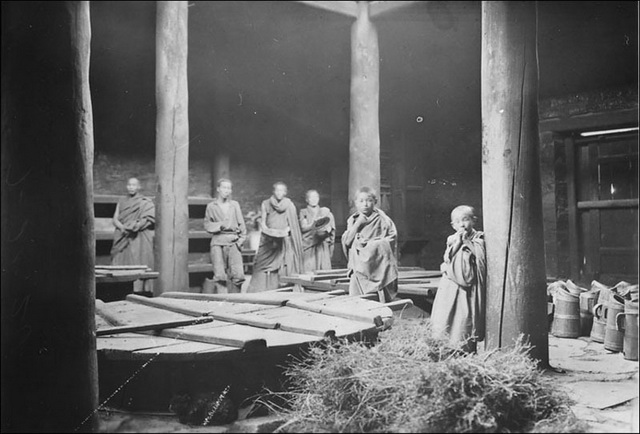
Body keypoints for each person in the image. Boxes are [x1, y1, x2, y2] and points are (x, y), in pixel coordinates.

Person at [430, 205, 486, 353]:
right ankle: (444, 347)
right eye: (457, 221)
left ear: (474, 221)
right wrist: (459, 243)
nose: (462, 224)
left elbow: (481, 258)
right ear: (453, 225)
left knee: (465, 316)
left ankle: (464, 348)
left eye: (465, 220)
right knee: (446, 314)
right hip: (450, 283)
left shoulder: (479, 238)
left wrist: (468, 243)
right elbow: (447, 258)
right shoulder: (452, 238)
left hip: (468, 287)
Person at [342, 187, 398, 303]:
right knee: (356, 301)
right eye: (361, 201)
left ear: (375, 202)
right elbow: (347, 241)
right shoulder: (353, 220)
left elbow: (391, 238)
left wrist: (370, 246)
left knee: (376, 300)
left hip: (376, 267)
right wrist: (358, 224)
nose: (365, 204)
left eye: (369, 200)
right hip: (358, 267)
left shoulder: (383, 219)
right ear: (356, 203)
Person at [247, 182, 303, 292]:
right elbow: (263, 223)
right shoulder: (266, 203)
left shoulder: (289, 205)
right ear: (273, 191)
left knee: (281, 265)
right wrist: (269, 232)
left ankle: (278, 290)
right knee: (260, 265)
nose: (279, 193)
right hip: (268, 239)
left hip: (283, 239)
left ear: (285, 192)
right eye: (277, 190)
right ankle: (256, 291)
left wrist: (283, 232)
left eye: (282, 190)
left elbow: (291, 225)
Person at [111, 177, 155, 292]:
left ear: (139, 187)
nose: (131, 187)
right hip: (122, 234)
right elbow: (115, 219)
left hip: (138, 237)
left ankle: (139, 290)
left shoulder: (145, 202)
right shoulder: (121, 200)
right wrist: (122, 228)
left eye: (134, 185)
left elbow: (148, 219)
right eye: (129, 185)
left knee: (137, 259)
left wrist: (133, 227)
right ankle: (119, 289)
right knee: (119, 259)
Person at [203, 178, 247, 293]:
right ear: (218, 189)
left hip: (233, 241)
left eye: (229, 188)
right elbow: (207, 225)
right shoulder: (211, 206)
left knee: (238, 275)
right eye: (224, 187)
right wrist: (220, 226)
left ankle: (236, 302)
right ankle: (222, 303)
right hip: (217, 242)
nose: (227, 190)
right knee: (220, 276)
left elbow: (242, 225)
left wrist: (240, 241)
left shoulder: (234, 205)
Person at [299, 189, 335, 272]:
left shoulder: (325, 212)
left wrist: (326, 229)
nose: (314, 199)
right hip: (309, 245)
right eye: (311, 197)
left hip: (322, 245)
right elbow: (303, 228)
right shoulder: (303, 212)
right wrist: (314, 224)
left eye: (316, 197)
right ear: (307, 200)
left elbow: (330, 229)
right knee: (309, 270)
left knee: (324, 271)